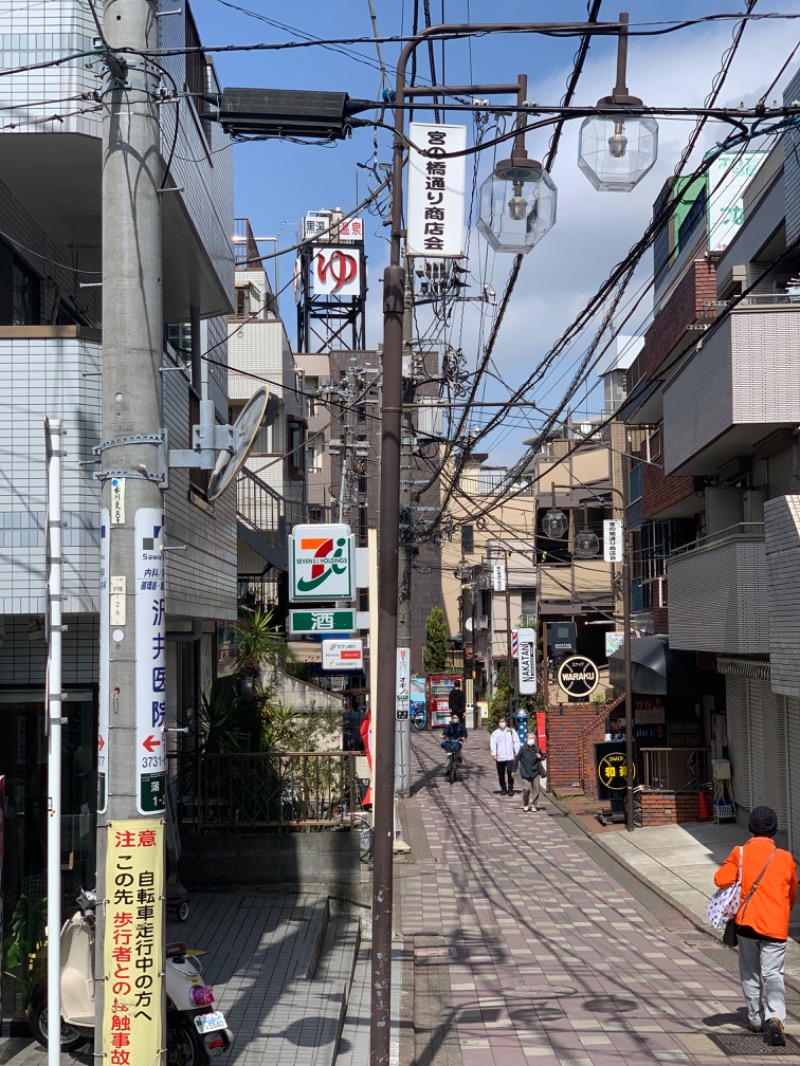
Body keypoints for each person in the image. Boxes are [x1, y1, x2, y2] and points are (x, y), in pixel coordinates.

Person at [714, 805, 798, 1046]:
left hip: (747, 922)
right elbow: (792, 892)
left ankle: (754, 1019)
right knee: (774, 974)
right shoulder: (785, 858)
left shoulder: (740, 853)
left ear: (751, 828)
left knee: (750, 971)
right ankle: (775, 1017)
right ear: (774, 830)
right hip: (775, 925)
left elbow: (720, 879)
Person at [489, 716, 521, 795]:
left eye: (503, 721)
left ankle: (510, 788)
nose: (502, 723)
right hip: (500, 757)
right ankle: (503, 788)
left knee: (510, 772)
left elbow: (516, 741)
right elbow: (493, 743)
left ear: (506, 722)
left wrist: (516, 751)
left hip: (510, 757)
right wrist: (494, 754)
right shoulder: (495, 733)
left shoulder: (511, 731)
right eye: (500, 721)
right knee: (501, 774)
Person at [514, 736, 544, 812]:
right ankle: (525, 803)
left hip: (535, 771)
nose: (531, 740)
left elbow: (543, 756)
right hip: (525, 772)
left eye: (532, 738)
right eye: (529, 738)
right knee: (526, 789)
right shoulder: (523, 749)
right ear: (526, 739)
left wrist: (540, 757)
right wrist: (513, 770)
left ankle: (534, 805)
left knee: (536, 789)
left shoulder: (537, 749)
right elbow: (517, 759)